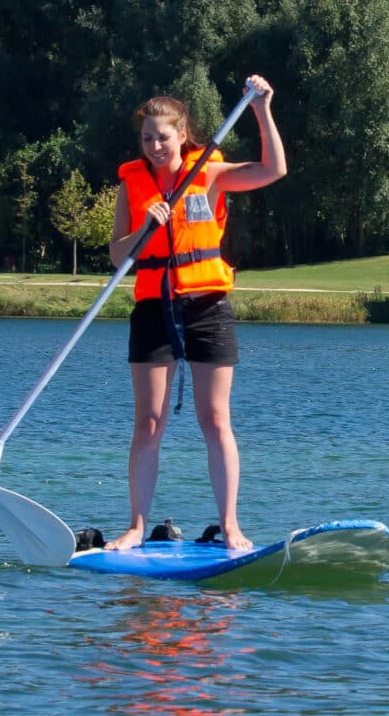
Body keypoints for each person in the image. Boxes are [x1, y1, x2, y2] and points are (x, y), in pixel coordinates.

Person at [105, 80, 287, 554]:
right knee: (147, 423)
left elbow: (273, 169)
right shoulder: (132, 183)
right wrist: (147, 225)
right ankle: (136, 527)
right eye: (147, 138)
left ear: (182, 133)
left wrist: (263, 109)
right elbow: (118, 254)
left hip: (207, 307)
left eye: (163, 137)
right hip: (153, 307)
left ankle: (230, 526)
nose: (155, 146)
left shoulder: (209, 172)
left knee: (215, 419)